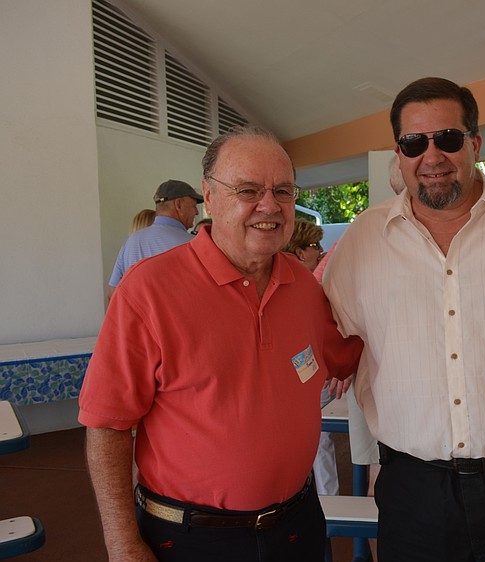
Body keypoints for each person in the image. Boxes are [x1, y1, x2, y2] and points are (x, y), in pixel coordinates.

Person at [79, 125, 363, 562]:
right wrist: (122, 544)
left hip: (297, 525)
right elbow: (106, 425)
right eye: (248, 190)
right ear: (209, 198)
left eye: (282, 191)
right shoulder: (149, 290)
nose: (269, 205)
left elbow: (348, 354)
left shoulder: (305, 287)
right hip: (191, 538)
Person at [323, 77, 485, 561]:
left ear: (475, 144)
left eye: (448, 138)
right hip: (414, 490)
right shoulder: (363, 241)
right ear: (399, 153)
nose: (431, 156)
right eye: (414, 143)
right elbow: (325, 332)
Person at [282, 219, 339, 497]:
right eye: (315, 245)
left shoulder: (304, 281)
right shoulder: (302, 284)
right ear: (300, 251)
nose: (321, 251)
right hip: (304, 374)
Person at [107, 180, 203, 299]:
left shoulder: (131, 242)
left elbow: (113, 291)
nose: (196, 212)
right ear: (178, 205)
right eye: (194, 206)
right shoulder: (193, 244)